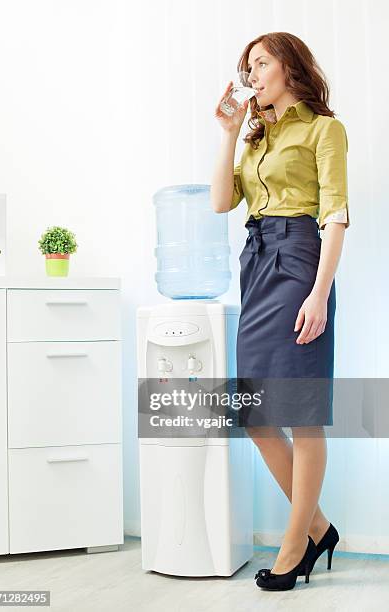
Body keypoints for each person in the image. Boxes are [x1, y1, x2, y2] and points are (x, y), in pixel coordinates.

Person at [211, 32, 348, 591]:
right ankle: (318, 528)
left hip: (299, 263)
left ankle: (296, 548)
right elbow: (222, 201)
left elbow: (336, 215)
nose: (252, 72)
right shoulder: (255, 137)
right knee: (256, 415)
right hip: (257, 264)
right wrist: (226, 136)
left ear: (289, 67)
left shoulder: (324, 129)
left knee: (299, 410)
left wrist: (318, 294)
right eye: (248, 66)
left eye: (260, 62)